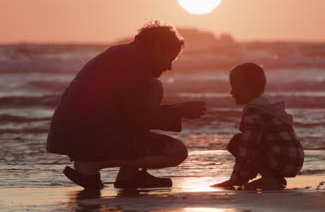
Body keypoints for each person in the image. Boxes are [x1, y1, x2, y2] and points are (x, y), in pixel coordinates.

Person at [46, 21, 206, 190]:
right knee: (177, 152)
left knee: (155, 86)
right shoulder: (135, 64)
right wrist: (179, 111)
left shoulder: (125, 54)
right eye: (169, 57)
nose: (169, 66)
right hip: (87, 137)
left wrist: (176, 111)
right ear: (157, 46)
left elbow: (133, 115)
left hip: (81, 134)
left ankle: (128, 175)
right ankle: (90, 165)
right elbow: (139, 118)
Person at [211, 63, 304, 190]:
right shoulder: (267, 107)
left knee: (238, 142)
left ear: (250, 87)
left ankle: (269, 178)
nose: (231, 92)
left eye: (235, 87)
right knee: (243, 141)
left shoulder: (254, 112)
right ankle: (274, 178)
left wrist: (235, 179)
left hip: (282, 160)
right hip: (293, 161)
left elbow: (248, 148)